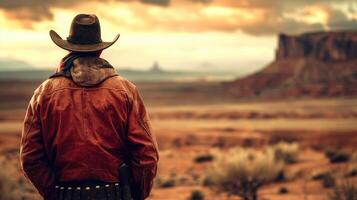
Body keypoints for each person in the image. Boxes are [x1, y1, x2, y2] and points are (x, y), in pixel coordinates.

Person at [20, 14, 159, 200]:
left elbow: (30, 158)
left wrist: (55, 193)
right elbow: (147, 155)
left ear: (68, 48)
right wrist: (135, 194)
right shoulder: (125, 90)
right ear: (100, 51)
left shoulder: (44, 93)